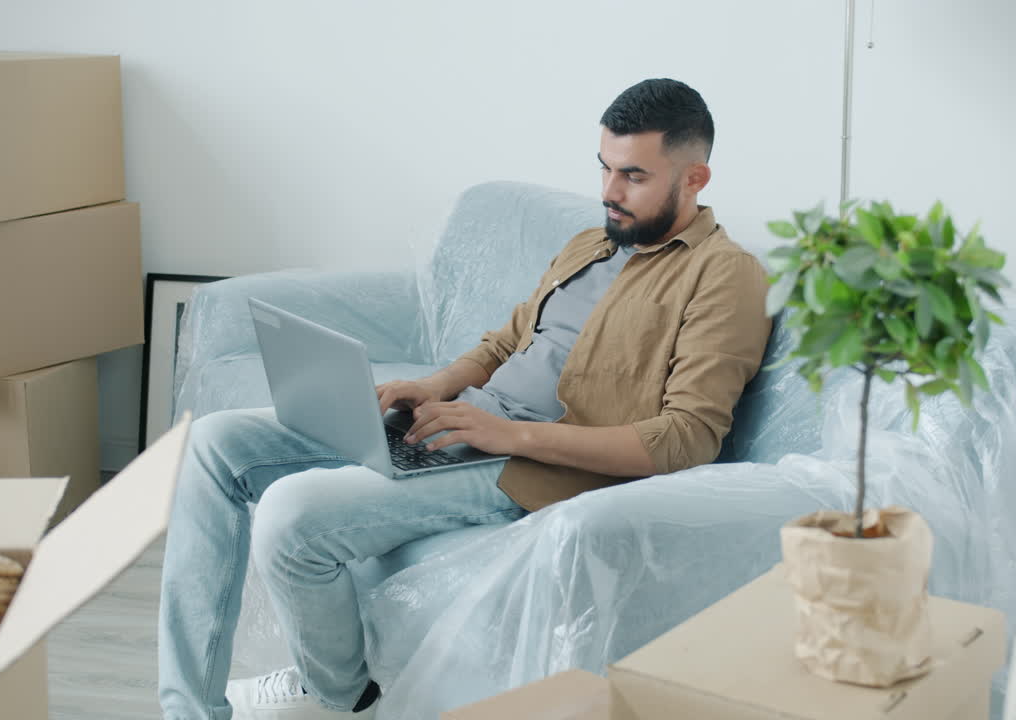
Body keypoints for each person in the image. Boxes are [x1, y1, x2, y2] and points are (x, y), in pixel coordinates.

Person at [158, 78, 772, 720]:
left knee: (290, 514)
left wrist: (505, 435)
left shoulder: (725, 275)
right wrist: (429, 388)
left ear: (695, 178)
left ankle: (341, 700)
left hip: (534, 468)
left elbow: (686, 439)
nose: (609, 193)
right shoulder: (592, 244)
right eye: (604, 168)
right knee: (211, 442)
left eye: (633, 177)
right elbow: (506, 341)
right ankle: (188, 711)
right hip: (470, 427)